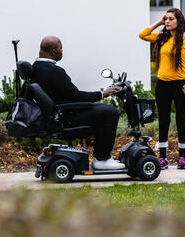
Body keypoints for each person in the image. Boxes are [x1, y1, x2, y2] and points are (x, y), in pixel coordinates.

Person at [31, 35, 124, 170]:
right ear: (53, 51)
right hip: (66, 116)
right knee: (110, 112)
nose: (62, 51)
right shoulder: (54, 71)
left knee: (100, 110)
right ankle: (102, 159)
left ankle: (101, 156)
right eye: (61, 48)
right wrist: (102, 94)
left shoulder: (36, 68)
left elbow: (70, 95)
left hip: (57, 114)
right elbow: (76, 96)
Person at [139, 8, 185, 169]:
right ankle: (163, 158)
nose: (167, 21)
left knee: (181, 120)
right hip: (163, 85)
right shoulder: (162, 37)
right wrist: (158, 22)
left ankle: (182, 158)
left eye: (170, 19)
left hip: (182, 86)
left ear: (179, 21)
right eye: (165, 19)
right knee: (164, 120)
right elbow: (143, 35)